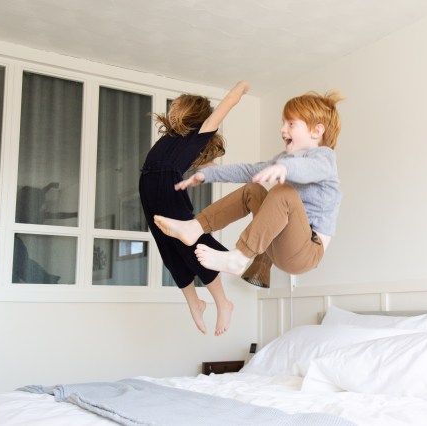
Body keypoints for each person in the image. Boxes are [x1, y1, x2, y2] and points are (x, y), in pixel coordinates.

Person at [153, 90, 343, 289]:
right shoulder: (285, 160)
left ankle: (239, 257)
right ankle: (195, 228)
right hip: (278, 245)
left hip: (307, 251)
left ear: (316, 131)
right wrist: (208, 175)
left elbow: (309, 169)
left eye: (291, 124)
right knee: (253, 189)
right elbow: (249, 171)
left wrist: (285, 168)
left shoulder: (325, 158)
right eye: (283, 123)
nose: (282, 129)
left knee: (283, 192)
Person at [139, 80, 249, 336]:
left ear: (191, 108)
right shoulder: (172, 137)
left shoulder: (201, 131)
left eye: (177, 104)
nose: (171, 108)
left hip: (167, 188)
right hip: (149, 190)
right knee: (168, 250)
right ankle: (194, 302)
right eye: (171, 105)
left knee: (192, 246)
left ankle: (223, 302)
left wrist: (242, 86)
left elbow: (228, 102)